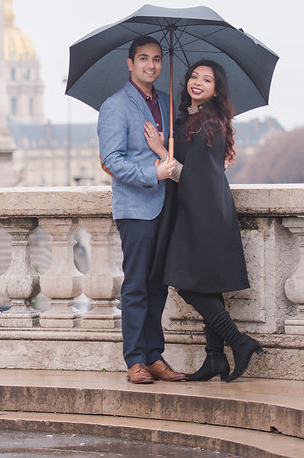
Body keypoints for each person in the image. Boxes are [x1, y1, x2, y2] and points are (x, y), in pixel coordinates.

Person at [144, 59, 264, 382]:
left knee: (186, 284)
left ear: (215, 90)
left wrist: (162, 152)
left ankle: (239, 342)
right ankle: (215, 359)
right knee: (207, 285)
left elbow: (195, 176)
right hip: (199, 211)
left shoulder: (210, 124)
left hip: (204, 215)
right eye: (194, 77)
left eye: (206, 80)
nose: (197, 82)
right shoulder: (191, 120)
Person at [97, 36, 185, 384]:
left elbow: (171, 153)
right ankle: (134, 358)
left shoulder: (166, 102)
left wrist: (165, 156)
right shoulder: (115, 106)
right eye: (144, 59)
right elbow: (112, 161)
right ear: (130, 64)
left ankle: (153, 356)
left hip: (166, 207)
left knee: (158, 285)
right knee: (136, 286)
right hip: (135, 209)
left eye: (157, 59)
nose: (152, 65)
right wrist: (154, 173)